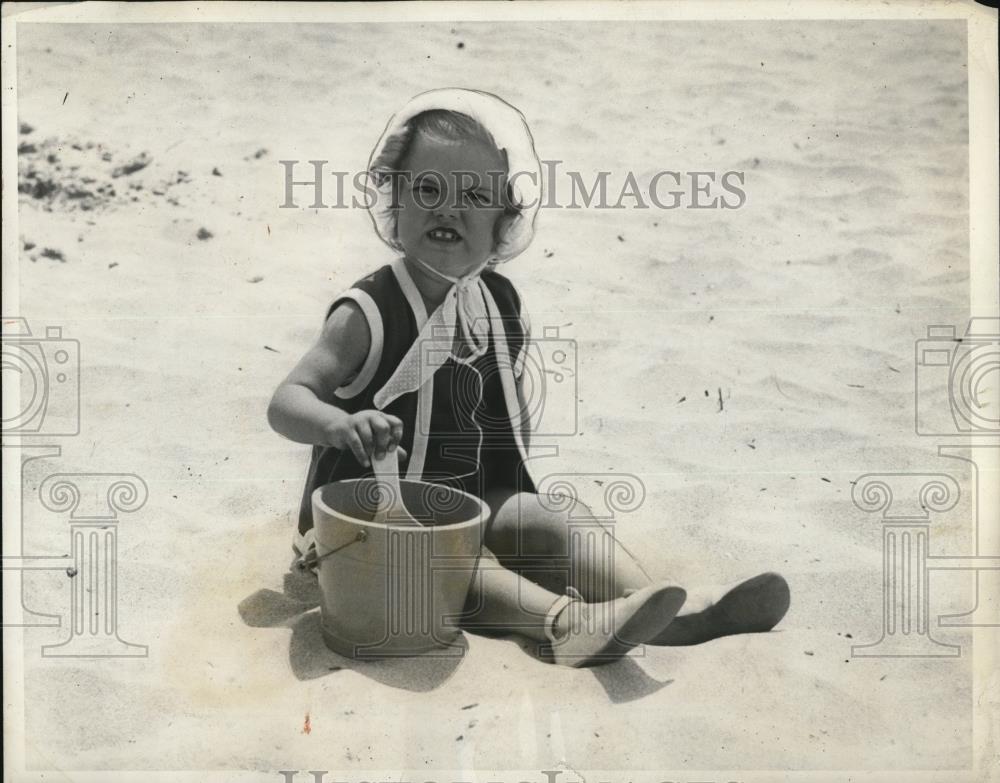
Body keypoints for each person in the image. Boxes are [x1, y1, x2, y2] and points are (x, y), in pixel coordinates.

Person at [267, 88, 789, 667]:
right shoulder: (368, 312)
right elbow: (286, 401)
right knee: (461, 563)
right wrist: (340, 424)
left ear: (505, 222)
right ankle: (566, 624)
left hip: (467, 500)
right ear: (394, 201)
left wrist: (502, 500)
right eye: (428, 190)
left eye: (474, 196)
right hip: (369, 524)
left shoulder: (498, 302)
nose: (447, 208)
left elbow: (495, 421)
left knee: (557, 518)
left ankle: (650, 605)